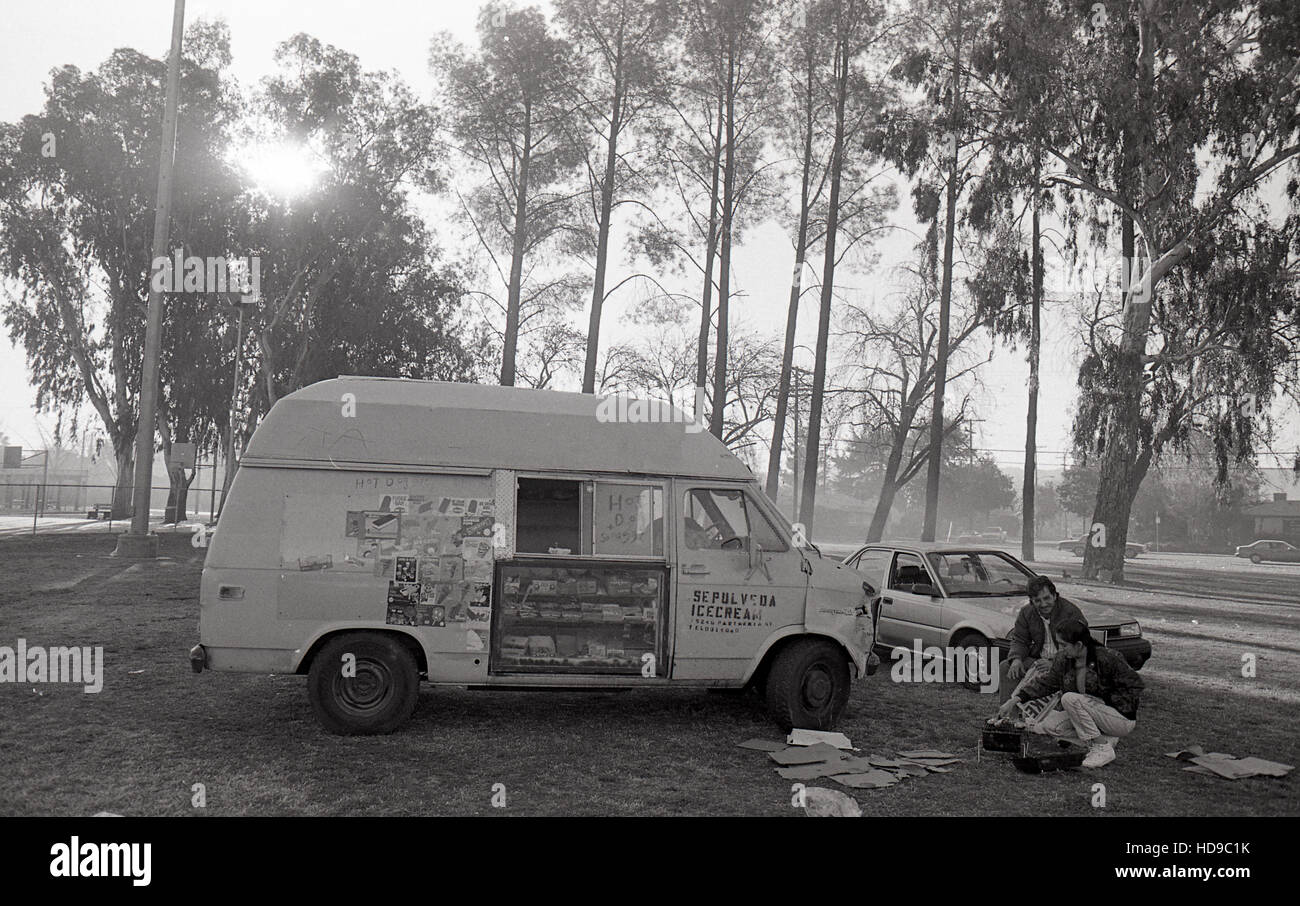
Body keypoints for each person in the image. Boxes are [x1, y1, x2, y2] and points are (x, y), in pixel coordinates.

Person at [996, 618, 1144, 768]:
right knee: (1051, 726)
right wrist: (1014, 700)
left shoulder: (1108, 658)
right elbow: (1047, 683)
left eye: (1063, 645)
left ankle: (1102, 748)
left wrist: (1105, 700)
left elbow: (1135, 685)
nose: (1060, 649)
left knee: (1070, 699)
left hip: (1120, 718)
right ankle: (1105, 739)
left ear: (1079, 645)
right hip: (1091, 712)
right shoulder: (1064, 659)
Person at [999, 575, 1086, 703]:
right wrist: (1016, 658)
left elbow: (1079, 647)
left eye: (1047, 598)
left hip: (1067, 662)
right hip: (1038, 660)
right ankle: (1008, 716)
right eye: (1037, 600)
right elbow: (1019, 639)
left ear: (1055, 596)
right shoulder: (1026, 612)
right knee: (1007, 667)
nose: (1043, 604)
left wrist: (1055, 663)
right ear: (1031, 601)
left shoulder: (1070, 612)